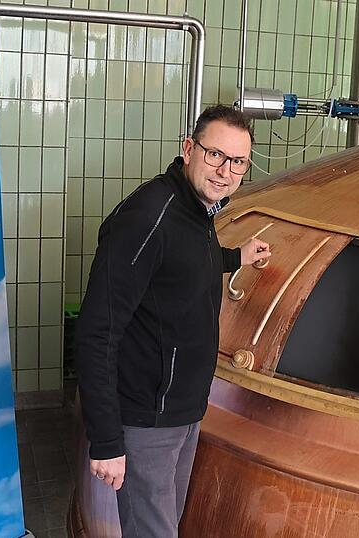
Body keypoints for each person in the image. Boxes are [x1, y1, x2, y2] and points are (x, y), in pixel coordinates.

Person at [74, 104, 270, 537]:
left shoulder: (197, 210)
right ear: (188, 149)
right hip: (147, 417)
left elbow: (181, 266)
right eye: (215, 154)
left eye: (238, 162)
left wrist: (238, 257)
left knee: (165, 525)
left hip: (183, 410)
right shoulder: (148, 217)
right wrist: (106, 441)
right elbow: (96, 332)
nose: (225, 171)